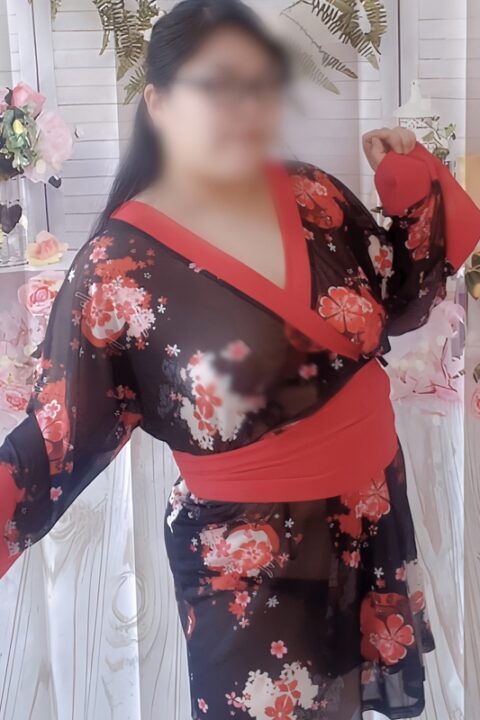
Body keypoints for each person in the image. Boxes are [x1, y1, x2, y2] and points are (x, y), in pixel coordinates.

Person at [1, 1, 479, 718]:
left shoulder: (312, 194)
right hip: (252, 568)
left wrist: (407, 186)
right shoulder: (114, 269)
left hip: (371, 510)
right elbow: (53, 442)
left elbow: (399, 300)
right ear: (159, 104)